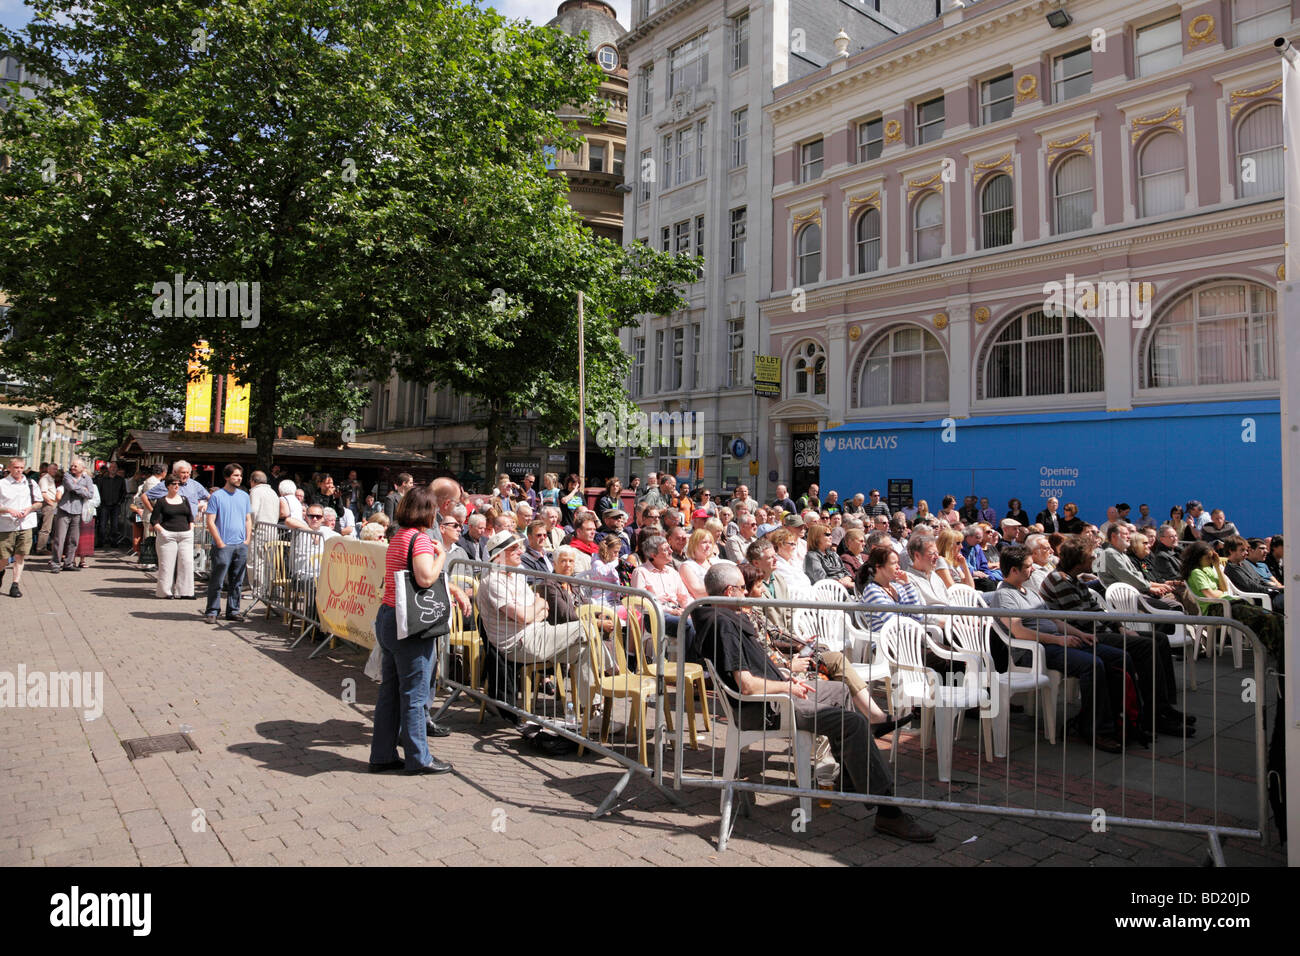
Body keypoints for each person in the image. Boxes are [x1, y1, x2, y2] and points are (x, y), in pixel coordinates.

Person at [687, 563, 934, 842]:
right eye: (743, 588)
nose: (746, 593)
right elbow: (746, 684)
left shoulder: (721, 615)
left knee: (840, 691)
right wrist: (788, 686)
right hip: (769, 707)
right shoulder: (723, 624)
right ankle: (888, 812)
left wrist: (788, 676)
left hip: (775, 695)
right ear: (730, 591)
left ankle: (852, 778)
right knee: (851, 722)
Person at [1042, 539, 1192, 739]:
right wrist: (1117, 632)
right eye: (1090, 557)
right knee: (1146, 646)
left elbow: (1096, 610)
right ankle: (1152, 715)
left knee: (1160, 639)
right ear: (1078, 561)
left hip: (1097, 630)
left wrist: (1121, 628)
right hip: (1083, 636)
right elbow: (1083, 620)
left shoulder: (1074, 579)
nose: (1094, 559)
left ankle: (1162, 706)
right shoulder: (1060, 581)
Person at [988, 545, 1128, 753]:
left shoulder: (1031, 593)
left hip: (1055, 643)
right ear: (1014, 570)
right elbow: (1018, 631)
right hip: (1035, 652)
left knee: (1117, 657)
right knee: (1092, 665)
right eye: (1028, 566)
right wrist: (1058, 641)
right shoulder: (1005, 596)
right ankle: (1095, 729)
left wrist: (1080, 634)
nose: (1033, 569)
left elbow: (1056, 620)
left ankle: (1116, 717)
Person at [736, 562, 903, 736]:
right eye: (758, 585)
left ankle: (868, 722)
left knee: (835, 658)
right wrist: (789, 665)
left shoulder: (753, 613)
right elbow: (759, 655)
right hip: (781, 672)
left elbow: (776, 633)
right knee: (833, 677)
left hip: (788, 660)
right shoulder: (741, 621)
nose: (763, 590)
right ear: (746, 589)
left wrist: (799, 643)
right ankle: (860, 728)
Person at [369, 484, 452, 775]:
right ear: (428, 512)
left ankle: (382, 754)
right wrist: (442, 554)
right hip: (410, 624)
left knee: (389, 691)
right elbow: (426, 577)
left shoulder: (398, 537)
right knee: (415, 695)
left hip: (387, 616)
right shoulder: (420, 539)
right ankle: (419, 758)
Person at [477, 528, 594, 709]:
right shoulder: (493, 581)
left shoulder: (515, 574)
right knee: (585, 628)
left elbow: (544, 610)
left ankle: (592, 712)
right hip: (517, 644)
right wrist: (534, 609)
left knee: (585, 650)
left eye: (519, 547)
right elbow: (528, 613)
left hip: (536, 632)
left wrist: (533, 611)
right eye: (514, 548)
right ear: (499, 555)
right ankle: (615, 670)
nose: (520, 551)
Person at [1182, 540, 1283, 660]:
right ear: (1198, 557)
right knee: (1264, 618)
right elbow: (1210, 595)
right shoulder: (1196, 572)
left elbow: (1224, 588)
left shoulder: (1210, 569)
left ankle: (1277, 647)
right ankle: (1277, 650)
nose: (1210, 559)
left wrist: (1217, 568)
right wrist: (1220, 592)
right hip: (1216, 607)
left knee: (1272, 617)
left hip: (1230, 603)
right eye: (1208, 557)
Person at [203, 464, 253, 623]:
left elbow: (248, 519)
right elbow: (210, 521)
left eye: (240, 476)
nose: (239, 478)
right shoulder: (217, 496)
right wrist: (219, 542)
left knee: (237, 580)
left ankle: (233, 610)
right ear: (227, 477)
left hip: (240, 544)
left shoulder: (244, 496)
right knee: (217, 579)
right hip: (223, 545)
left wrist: (247, 540)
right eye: (235, 475)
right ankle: (212, 610)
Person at [631, 534, 692, 636]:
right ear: (653, 555)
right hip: (654, 615)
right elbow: (640, 603)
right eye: (665, 549)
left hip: (676, 611)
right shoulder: (641, 572)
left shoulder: (672, 572)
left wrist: (691, 610)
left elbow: (684, 597)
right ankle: (690, 652)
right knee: (687, 624)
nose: (671, 551)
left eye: (670, 548)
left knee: (706, 621)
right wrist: (670, 611)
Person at [0, 457, 41, 597]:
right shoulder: (2, 484)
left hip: (25, 524)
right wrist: (9, 510)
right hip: (6, 526)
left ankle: (15, 585)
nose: (19, 470)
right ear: (9, 468)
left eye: (21, 468)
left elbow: (38, 502)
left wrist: (29, 509)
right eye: (16, 467)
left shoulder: (30, 483)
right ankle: (1, 572)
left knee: (20, 555)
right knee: (3, 558)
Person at [150, 474, 195, 600]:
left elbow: (190, 517)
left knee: (187, 563)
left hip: (185, 535)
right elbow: (154, 520)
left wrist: (191, 529)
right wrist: (162, 531)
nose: (176, 486)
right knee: (166, 564)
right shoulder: (161, 501)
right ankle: (165, 592)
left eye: (178, 484)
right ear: (168, 486)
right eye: (173, 484)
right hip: (167, 535)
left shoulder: (184, 499)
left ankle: (185, 592)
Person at [50, 457, 94, 573]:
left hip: (78, 511)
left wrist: (77, 488)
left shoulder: (88, 478)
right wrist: (82, 489)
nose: (72, 467)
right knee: (60, 538)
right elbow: (70, 486)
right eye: (72, 465)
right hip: (64, 509)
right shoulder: (67, 476)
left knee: (74, 539)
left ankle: (68, 563)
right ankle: (55, 563)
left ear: (82, 468)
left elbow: (90, 494)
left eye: (75, 466)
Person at [1223, 535, 1285, 613]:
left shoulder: (1245, 563)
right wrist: (1275, 589)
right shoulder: (1232, 568)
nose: (1246, 553)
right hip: (1257, 601)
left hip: (1268, 595)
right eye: (1242, 550)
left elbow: (1260, 580)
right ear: (1231, 551)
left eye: (1246, 550)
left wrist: (1278, 588)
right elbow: (1252, 587)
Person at [804, 522, 853, 589]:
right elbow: (822, 579)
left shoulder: (833, 554)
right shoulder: (812, 556)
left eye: (831, 534)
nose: (831, 537)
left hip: (844, 588)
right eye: (827, 535)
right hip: (827, 593)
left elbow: (846, 572)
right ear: (816, 538)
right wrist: (843, 583)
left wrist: (847, 579)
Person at [678, 528, 721, 600]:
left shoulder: (714, 562)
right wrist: (722, 589)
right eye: (704, 542)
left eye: (710, 543)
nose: (708, 546)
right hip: (703, 606)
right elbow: (697, 592)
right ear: (694, 545)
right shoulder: (687, 566)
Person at [94, 461, 127, 547]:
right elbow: (98, 491)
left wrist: (120, 502)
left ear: (117, 469)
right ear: (109, 469)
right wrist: (100, 503)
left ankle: (114, 542)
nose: (113, 469)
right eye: (111, 467)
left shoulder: (120, 480)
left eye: (115, 467)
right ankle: (101, 541)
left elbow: (123, 492)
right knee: (102, 524)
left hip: (115, 505)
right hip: (104, 505)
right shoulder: (102, 479)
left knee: (115, 525)